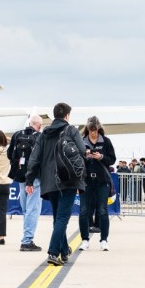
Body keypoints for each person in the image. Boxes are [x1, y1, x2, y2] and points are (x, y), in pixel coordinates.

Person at [28, 102, 89, 266]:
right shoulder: (71, 130)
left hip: (49, 181)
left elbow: (34, 158)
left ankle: (64, 250)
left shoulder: (44, 133)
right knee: (62, 218)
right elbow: (82, 151)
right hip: (68, 180)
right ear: (67, 116)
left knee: (58, 219)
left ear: (55, 115)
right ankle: (53, 252)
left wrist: (29, 179)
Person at [8, 115, 44, 252]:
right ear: (39, 126)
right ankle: (27, 240)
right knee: (33, 209)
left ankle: (26, 237)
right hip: (34, 178)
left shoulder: (17, 135)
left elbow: (10, 154)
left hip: (20, 176)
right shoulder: (40, 137)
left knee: (25, 209)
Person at [79, 116, 115, 251]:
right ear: (87, 129)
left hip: (102, 180)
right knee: (83, 211)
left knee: (102, 210)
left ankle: (104, 240)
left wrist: (101, 157)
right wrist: (86, 157)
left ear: (99, 129)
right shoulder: (82, 141)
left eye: (95, 130)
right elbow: (77, 160)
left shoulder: (106, 142)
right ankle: (85, 239)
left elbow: (112, 159)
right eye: (90, 130)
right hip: (86, 180)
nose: (93, 133)